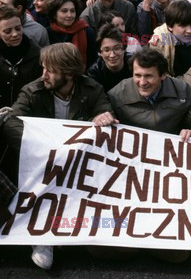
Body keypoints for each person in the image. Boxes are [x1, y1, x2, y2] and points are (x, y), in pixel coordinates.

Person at [3, 43, 116, 270]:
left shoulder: (92, 90)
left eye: (50, 70)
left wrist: (103, 119)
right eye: (43, 68)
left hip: (77, 164)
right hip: (42, 163)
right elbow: (12, 122)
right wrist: (44, 147)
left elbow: (107, 115)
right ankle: (43, 237)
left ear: (69, 72)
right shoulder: (32, 91)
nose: (43, 74)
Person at [107, 48, 191, 140]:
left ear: (163, 75)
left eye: (148, 76)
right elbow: (100, 114)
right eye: (138, 75)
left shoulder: (181, 90)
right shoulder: (118, 94)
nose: (142, 82)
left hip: (170, 154)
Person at [149, 0, 191, 76]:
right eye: (183, 25)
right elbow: (158, 75)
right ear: (170, 26)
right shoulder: (158, 42)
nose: (189, 30)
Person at [0, 6, 42, 108]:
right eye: (7, 31)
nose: (15, 34)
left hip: (26, 113)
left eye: (18, 28)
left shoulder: (38, 54)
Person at [47, 0, 97, 69]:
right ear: (54, 14)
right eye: (64, 11)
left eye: (72, 11)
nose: (69, 15)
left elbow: (93, 61)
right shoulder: (48, 33)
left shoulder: (87, 31)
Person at [87, 24, 131, 92]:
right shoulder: (95, 72)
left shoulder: (134, 64)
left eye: (117, 48)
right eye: (107, 50)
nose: (112, 55)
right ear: (100, 53)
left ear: (124, 49)